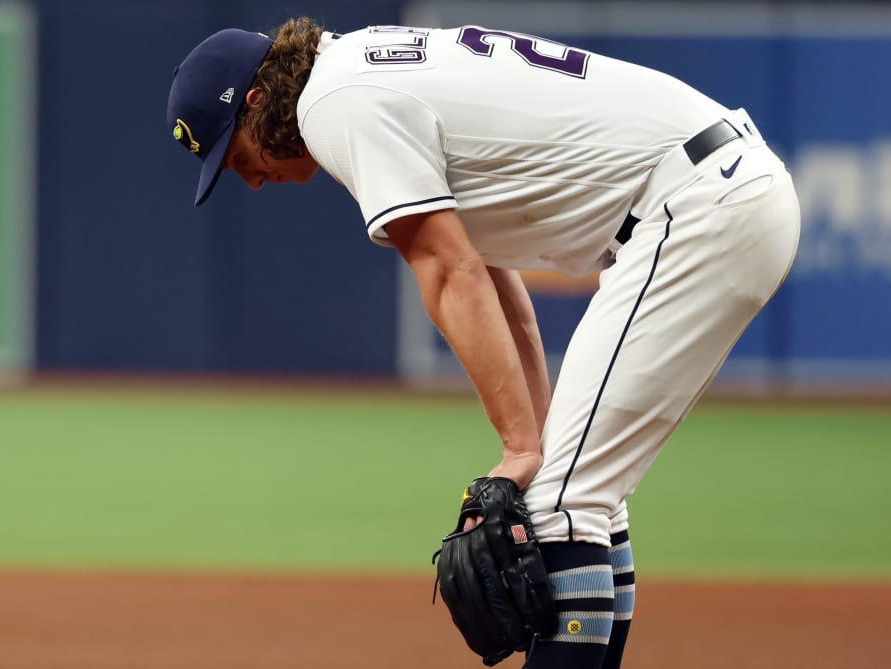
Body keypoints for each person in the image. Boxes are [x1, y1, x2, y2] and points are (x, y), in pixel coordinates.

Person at [167, 18, 800, 669]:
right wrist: (534, 440)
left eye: (234, 152)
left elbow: (447, 271)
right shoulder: (357, 71)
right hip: (720, 190)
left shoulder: (333, 102)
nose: (248, 176)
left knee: (561, 502)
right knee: (576, 495)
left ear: (256, 101)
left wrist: (520, 449)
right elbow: (492, 280)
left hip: (697, 205)